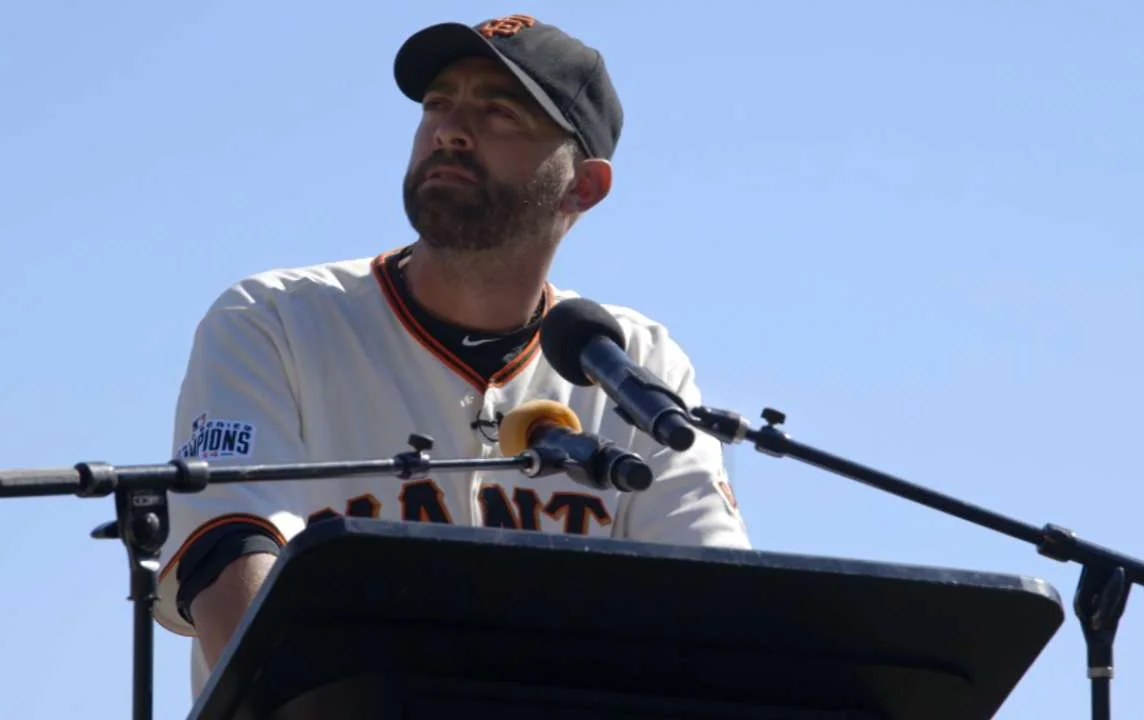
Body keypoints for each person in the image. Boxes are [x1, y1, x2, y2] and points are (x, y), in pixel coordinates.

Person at [153, 13, 753, 700]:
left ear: (582, 186)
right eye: (439, 103)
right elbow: (229, 568)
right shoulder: (275, 319)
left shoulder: (633, 360)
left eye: (499, 112)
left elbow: (717, 612)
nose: (449, 129)